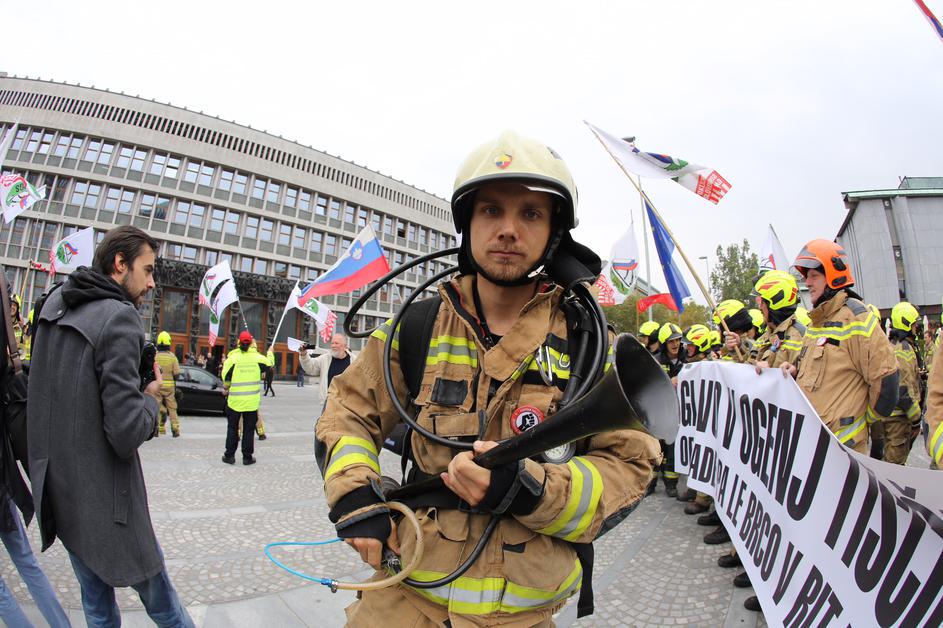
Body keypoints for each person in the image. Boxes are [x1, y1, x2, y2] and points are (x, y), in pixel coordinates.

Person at [315, 131, 661, 626]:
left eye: (531, 214)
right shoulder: (416, 327)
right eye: (491, 210)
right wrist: (354, 492)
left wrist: (531, 489)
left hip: (524, 615)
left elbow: (629, 465)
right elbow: (347, 411)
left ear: (554, 233)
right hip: (403, 599)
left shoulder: (590, 346)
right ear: (468, 223)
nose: (508, 230)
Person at [27, 225, 193, 627]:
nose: (152, 283)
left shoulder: (52, 305)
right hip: (109, 501)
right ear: (120, 264)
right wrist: (151, 397)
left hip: (61, 493)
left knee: (97, 607)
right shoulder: (119, 318)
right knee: (165, 606)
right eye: (148, 270)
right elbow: (124, 432)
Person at [779, 239, 899, 454]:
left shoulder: (855, 316)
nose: (808, 282)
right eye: (806, 277)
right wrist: (795, 373)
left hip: (843, 450)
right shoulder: (816, 323)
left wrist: (861, 421)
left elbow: (886, 381)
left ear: (834, 275)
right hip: (814, 445)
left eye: (814, 276)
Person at [221, 331, 274, 465]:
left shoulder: (232, 358)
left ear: (238, 343)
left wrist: (227, 387)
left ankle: (229, 456)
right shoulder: (258, 358)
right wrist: (270, 352)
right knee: (249, 430)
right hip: (251, 403)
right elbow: (270, 365)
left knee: (232, 429)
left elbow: (225, 378)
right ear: (251, 343)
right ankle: (247, 457)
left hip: (234, 402)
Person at [884, 302, 922, 465]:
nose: (916, 328)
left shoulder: (892, 345)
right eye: (914, 324)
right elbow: (903, 389)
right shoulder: (905, 350)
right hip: (900, 418)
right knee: (895, 465)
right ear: (906, 324)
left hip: (890, 415)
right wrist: (916, 418)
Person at [752, 270, 806, 372]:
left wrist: (793, 372)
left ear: (776, 302)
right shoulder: (763, 338)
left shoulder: (801, 336)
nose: (759, 308)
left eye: (762, 302)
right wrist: (737, 348)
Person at [299, 333, 357, 406]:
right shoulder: (324, 359)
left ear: (344, 346)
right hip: (329, 404)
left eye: (336, 343)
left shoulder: (355, 361)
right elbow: (311, 367)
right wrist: (303, 355)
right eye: (332, 343)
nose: (333, 345)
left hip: (348, 406)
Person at [155, 331, 181, 438]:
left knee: (156, 407)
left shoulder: (155, 356)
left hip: (158, 385)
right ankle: (175, 429)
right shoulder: (172, 357)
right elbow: (177, 373)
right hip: (170, 388)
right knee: (172, 408)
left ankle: (155, 429)